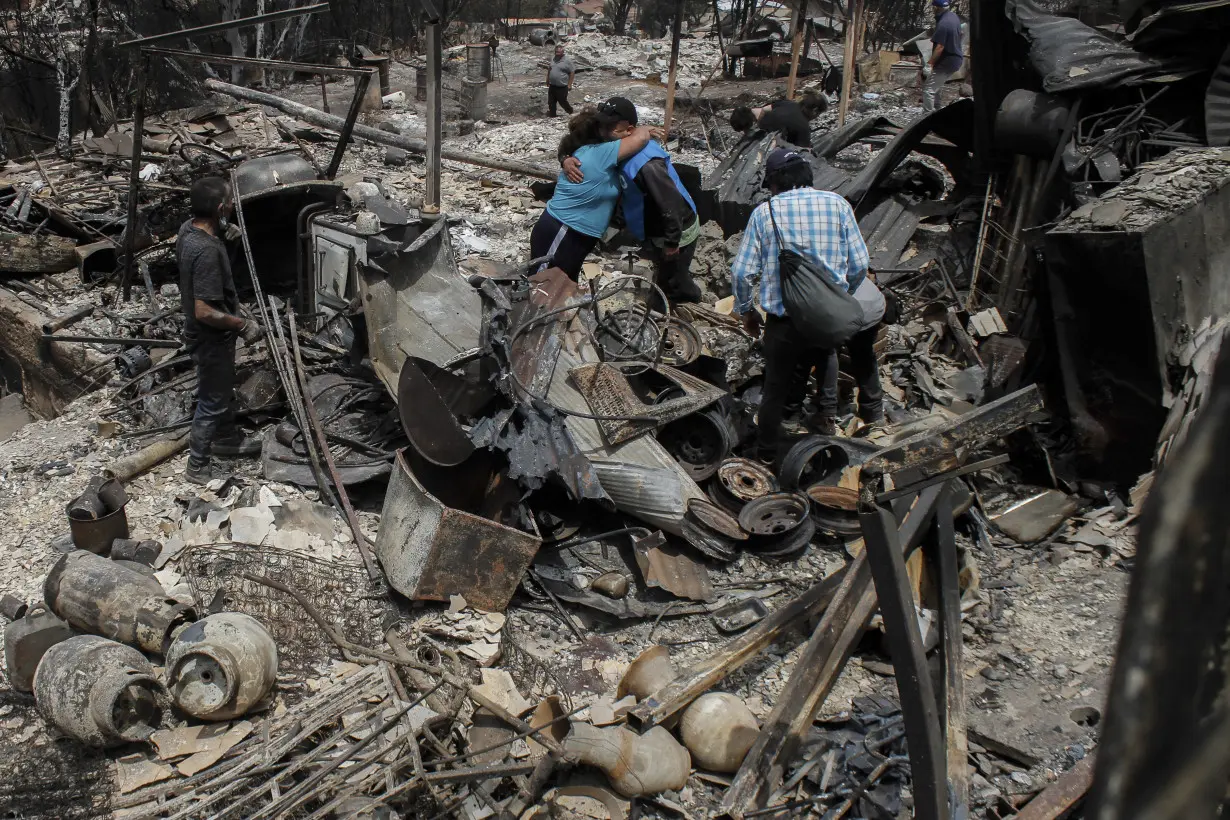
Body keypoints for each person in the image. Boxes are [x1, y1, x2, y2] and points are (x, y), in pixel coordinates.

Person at [729, 148, 874, 458]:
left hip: (784, 322)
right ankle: (825, 422)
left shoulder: (765, 213)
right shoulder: (838, 205)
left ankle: (767, 451)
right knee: (825, 354)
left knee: (775, 388)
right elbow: (860, 263)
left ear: (774, 182)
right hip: (826, 316)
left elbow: (742, 272)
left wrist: (746, 311)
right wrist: (838, 294)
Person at [560, 97, 703, 305]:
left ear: (630, 130)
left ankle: (682, 304)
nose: (603, 134)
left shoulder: (646, 164)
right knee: (664, 272)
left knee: (672, 280)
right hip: (654, 227)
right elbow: (572, 141)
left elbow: (670, 203)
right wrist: (565, 158)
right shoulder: (614, 143)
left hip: (676, 230)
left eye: (610, 128)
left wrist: (672, 242)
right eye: (602, 126)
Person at [177, 177, 263, 485]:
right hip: (210, 337)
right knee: (212, 399)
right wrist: (242, 325)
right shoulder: (206, 252)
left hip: (202, 334)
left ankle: (225, 436)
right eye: (229, 201)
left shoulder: (188, 230)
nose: (232, 205)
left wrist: (228, 239)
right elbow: (205, 310)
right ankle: (197, 464)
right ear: (219, 208)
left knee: (221, 386)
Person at [530, 104, 653, 280]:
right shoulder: (600, 153)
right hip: (563, 231)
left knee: (560, 286)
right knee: (541, 284)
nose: (626, 135)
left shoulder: (594, 151)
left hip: (576, 235)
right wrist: (642, 129)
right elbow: (640, 139)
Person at [729, 94, 828, 146]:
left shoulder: (787, 103)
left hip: (761, 132)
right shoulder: (804, 127)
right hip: (774, 143)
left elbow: (764, 109)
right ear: (815, 111)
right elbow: (805, 151)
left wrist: (760, 123)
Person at [922, 0, 963, 113]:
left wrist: (929, 64)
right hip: (955, 58)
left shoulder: (944, 24)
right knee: (936, 87)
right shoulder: (953, 16)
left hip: (947, 61)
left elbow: (939, 47)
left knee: (928, 90)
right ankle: (937, 111)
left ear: (936, 8)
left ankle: (927, 118)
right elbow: (961, 33)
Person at [546, 44, 576, 117]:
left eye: (558, 52)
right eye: (556, 52)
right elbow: (550, 69)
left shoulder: (567, 61)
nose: (557, 54)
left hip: (562, 86)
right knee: (551, 102)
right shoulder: (553, 59)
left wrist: (569, 84)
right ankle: (552, 115)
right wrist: (547, 79)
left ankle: (570, 111)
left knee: (562, 101)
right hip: (552, 85)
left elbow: (572, 72)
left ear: (562, 52)